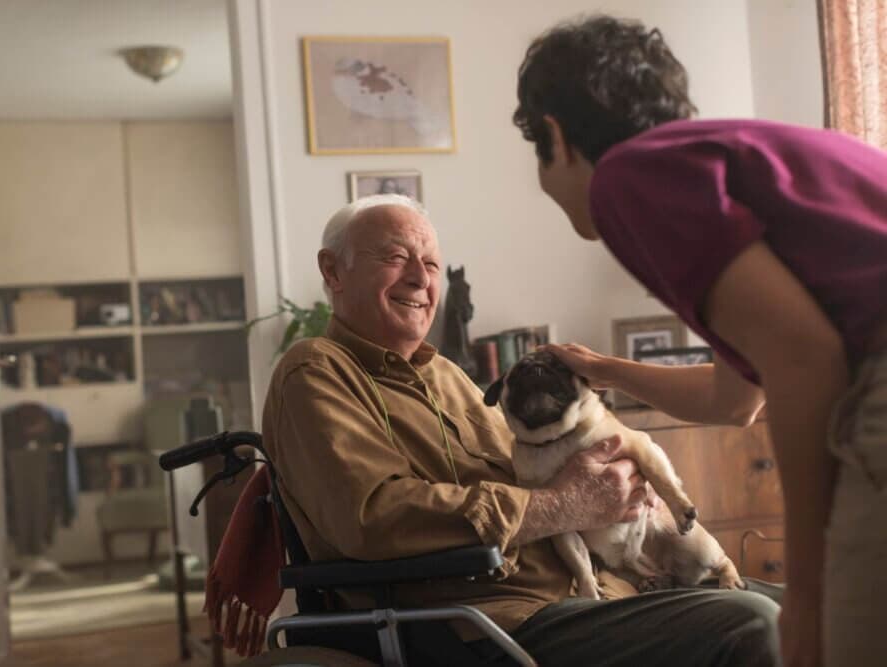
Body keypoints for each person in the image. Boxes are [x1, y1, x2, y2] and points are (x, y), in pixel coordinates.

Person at [262, 193, 781, 666]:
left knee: (807, 612)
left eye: (432, 264)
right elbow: (374, 517)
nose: (420, 279)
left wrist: (621, 481)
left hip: (601, 590)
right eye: (396, 257)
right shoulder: (316, 372)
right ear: (333, 271)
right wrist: (567, 504)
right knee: (755, 623)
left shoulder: (448, 375)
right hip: (490, 621)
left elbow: (548, 469)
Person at [512, 14, 887, 667]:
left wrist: (807, 592)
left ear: (556, 136)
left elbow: (805, 361)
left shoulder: (628, 179)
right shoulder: (709, 161)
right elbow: (734, 400)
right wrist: (604, 369)